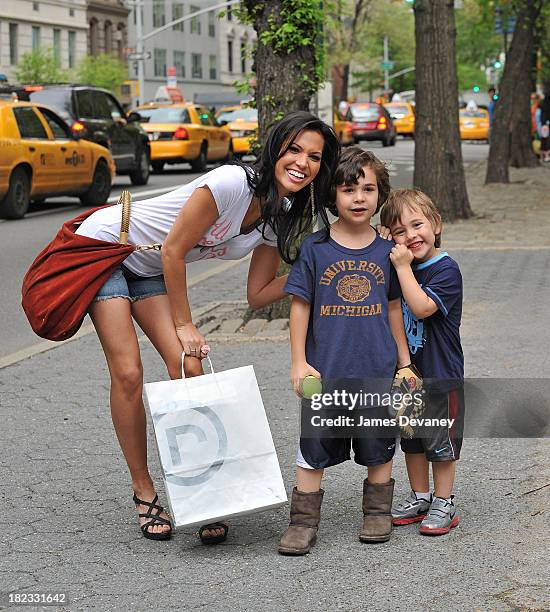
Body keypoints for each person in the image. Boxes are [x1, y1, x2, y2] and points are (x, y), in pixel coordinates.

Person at [74, 111, 340, 543]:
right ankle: (144, 492)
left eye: (314, 157)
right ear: (276, 147)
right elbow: (174, 251)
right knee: (128, 372)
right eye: (294, 150)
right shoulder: (231, 182)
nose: (302, 163)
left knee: (191, 370)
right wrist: (185, 324)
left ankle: (208, 496)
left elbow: (257, 295)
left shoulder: (280, 213)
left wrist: (322, 273)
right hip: (106, 248)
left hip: (148, 266)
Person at [278, 147, 414, 555]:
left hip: (376, 368)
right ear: (331, 196)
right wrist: (299, 361)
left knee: (378, 442)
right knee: (314, 445)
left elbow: (394, 307)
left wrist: (405, 362)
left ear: (380, 195)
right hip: (326, 370)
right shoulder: (315, 249)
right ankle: (303, 521)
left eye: (368, 189)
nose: (359, 198)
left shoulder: (386, 251)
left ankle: (376, 512)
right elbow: (299, 305)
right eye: (348, 189)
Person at [380, 189, 464, 536]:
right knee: (412, 439)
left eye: (418, 225)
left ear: (436, 225)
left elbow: (422, 307)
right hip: (407, 374)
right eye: (399, 231)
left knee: (440, 443)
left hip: (441, 374)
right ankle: (421, 496)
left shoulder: (446, 270)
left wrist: (401, 265)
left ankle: (445, 501)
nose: (411, 235)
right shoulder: (401, 266)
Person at [539, 93, 550, 163]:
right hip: (545, 123)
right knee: (545, 139)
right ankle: (545, 156)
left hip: (545, 123)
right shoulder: (547, 101)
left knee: (545, 139)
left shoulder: (545, 102)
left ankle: (544, 156)